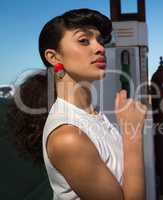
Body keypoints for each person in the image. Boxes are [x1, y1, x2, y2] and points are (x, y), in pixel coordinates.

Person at [7, 8, 146, 200]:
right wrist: (133, 133)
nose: (100, 48)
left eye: (100, 40)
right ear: (54, 57)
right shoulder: (68, 137)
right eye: (84, 40)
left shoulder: (90, 113)